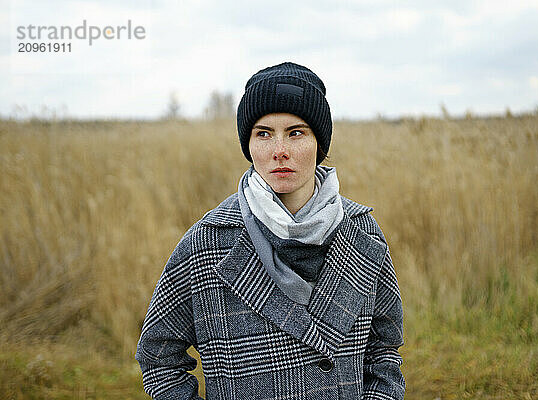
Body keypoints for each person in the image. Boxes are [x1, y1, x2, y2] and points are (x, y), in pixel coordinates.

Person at [135, 62, 405, 399]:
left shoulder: (363, 233)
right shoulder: (207, 243)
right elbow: (159, 358)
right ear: (248, 144)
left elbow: (384, 353)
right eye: (263, 133)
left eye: (296, 132)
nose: (280, 150)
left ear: (319, 143)